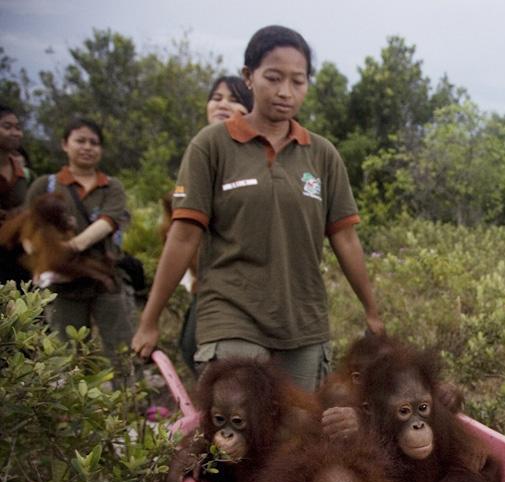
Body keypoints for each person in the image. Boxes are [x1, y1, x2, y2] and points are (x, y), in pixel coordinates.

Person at [132, 25, 383, 391]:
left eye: (298, 81)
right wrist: (149, 319)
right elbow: (183, 236)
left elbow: (345, 239)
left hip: (303, 322)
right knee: (241, 416)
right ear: (249, 77)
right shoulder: (211, 146)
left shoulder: (322, 154)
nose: (285, 92)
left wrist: (372, 310)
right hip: (231, 314)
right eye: (273, 78)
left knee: (299, 425)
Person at [161, 76, 254, 374]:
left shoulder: (254, 157)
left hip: (245, 282)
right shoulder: (200, 151)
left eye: (234, 99)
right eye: (216, 97)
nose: (222, 104)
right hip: (208, 281)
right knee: (191, 348)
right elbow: (182, 230)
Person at [23, 117, 134, 359]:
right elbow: (27, 227)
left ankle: (128, 385)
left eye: (94, 142)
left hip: (105, 278)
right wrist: (42, 258)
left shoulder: (111, 187)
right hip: (62, 286)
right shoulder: (46, 185)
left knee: (122, 351)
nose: (87, 147)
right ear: (65, 144)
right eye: (80, 141)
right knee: (66, 354)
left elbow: (107, 222)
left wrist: (69, 247)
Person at [0, 105, 31, 285]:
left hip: (17, 258)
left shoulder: (22, 173)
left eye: (18, 128)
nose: (15, 132)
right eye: (7, 127)